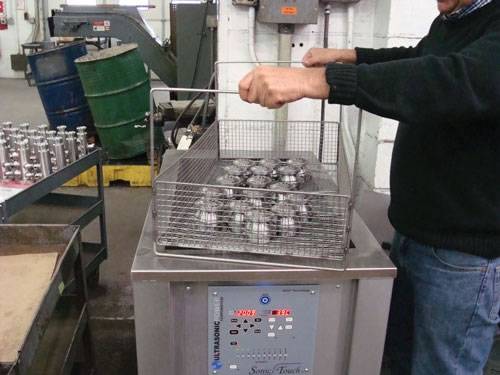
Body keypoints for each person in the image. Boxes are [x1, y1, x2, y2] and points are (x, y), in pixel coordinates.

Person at [239, 0, 500, 374]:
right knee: (401, 357)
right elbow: (417, 58)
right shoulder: (456, 19)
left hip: (463, 256)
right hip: (417, 231)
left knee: (443, 367)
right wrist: (349, 57)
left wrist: (320, 81)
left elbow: (452, 79)